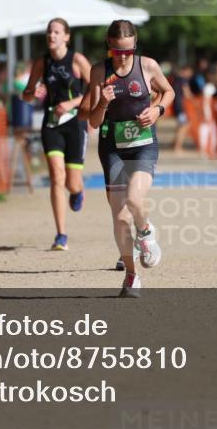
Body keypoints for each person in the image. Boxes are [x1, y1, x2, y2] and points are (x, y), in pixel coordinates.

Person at [83, 20, 174, 296]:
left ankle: (145, 233)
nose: (122, 57)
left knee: (135, 200)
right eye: (116, 51)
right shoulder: (99, 71)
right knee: (120, 216)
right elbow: (95, 122)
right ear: (108, 47)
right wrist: (103, 103)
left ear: (135, 46)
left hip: (143, 143)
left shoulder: (147, 66)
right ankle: (132, 275)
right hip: (112, 146)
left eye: (127, 51)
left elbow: (169, 92)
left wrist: (157, 110)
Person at [22, 19, 92, 251]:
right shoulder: (42, 62)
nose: (51, 35)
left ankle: (78, 190)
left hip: (75, 125)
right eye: (49, 32)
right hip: (52, 124)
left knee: (71, 183)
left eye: (56, 32)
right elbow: (26, 95)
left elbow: (97, 90)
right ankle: (61, 234)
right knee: (56, 176)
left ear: (66, 37)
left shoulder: (77, 60)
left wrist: (72, 102)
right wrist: (33, 91)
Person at [170, 63, 193, 153]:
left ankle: (174, 144)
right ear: (185, 71)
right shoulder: (183, 80)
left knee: (180, 125)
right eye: (189, 72)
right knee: (184, 126)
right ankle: (177, 147)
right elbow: (187, 93)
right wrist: (194, 100)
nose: (190, 74)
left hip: (176, 106)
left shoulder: (175, 79)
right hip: (181, 106)